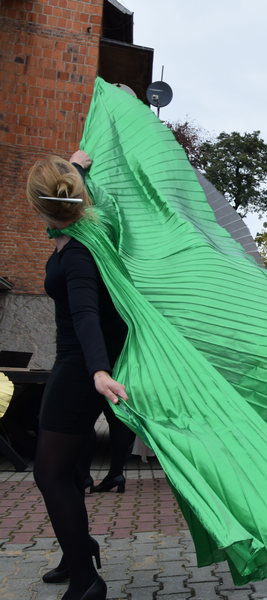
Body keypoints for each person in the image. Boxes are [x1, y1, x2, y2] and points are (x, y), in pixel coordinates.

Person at [27, 151, 128, 600]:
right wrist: (78, 168)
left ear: (40, 207)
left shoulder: (79, 253)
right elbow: (81, 201)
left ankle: (88, 581)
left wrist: (99, 370)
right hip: (80, 368)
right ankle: (77, 552)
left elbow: (86, 314)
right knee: (65, 471)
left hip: (79, 370)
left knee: (49, 474)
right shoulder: (86, 226)